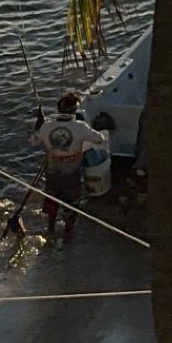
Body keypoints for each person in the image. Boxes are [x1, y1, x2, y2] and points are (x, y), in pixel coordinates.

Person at [30, 91, 108, 243]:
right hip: (71, 173)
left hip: (52, 171)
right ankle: (68, 234)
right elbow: (100, 139)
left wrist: (40, 126)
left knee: (52, 199)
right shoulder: (80, 126)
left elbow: (33, 141)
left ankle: (50, 229)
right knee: (71, 204)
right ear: (74, 111)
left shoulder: (47, 126)